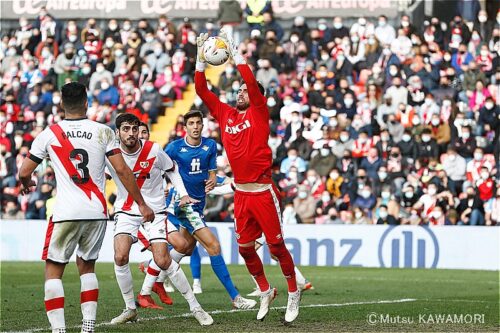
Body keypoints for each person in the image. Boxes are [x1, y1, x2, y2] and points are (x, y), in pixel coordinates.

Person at [17, 82, 155, 333]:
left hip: (65, 212)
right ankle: (88, 326)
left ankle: (59, 330)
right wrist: (142, 204)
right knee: (87, 267)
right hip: (97, 212)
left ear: (61, 104)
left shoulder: (49, 133)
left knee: (54, 271)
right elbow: (123, 170)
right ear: (86, 102)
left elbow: (24, 171)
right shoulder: (103, 132)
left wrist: (28, 183)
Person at [195, 30, 300, 323]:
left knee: (277, 247)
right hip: (241, 193)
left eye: (244, 90)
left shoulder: (259, 112)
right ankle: (266, 290)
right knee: (244, 249)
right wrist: (200, 59)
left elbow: (252, 84)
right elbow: (202, 92)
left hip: (263, 192)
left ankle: (293, 292)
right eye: (238, 90)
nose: (241, 92)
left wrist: (235, 53)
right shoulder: (226, 114)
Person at [108, 113, 213, 326]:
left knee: (163, 260)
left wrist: (182, 192)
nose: (131, 133)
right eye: (126, 129)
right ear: (117, 132)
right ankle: (130, 309)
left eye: (134, 129)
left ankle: (196, 307)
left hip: (155, 211)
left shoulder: (153, 150)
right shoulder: (110, 153)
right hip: (126, 211)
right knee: (120, 257)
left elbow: (172, 170)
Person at [162, 110, 256, 309]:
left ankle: (153, 272)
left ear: (202, 126)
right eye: (191, 123)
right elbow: (159, 168)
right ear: (185, 127)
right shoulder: (174, 148)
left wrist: (217, 178)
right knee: (213, 247)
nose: (195, 127)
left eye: (198, 123)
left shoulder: (210, 145)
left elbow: (210, 173)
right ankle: (235, 298)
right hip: (184, 205)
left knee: (186, 248)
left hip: (199, 205)